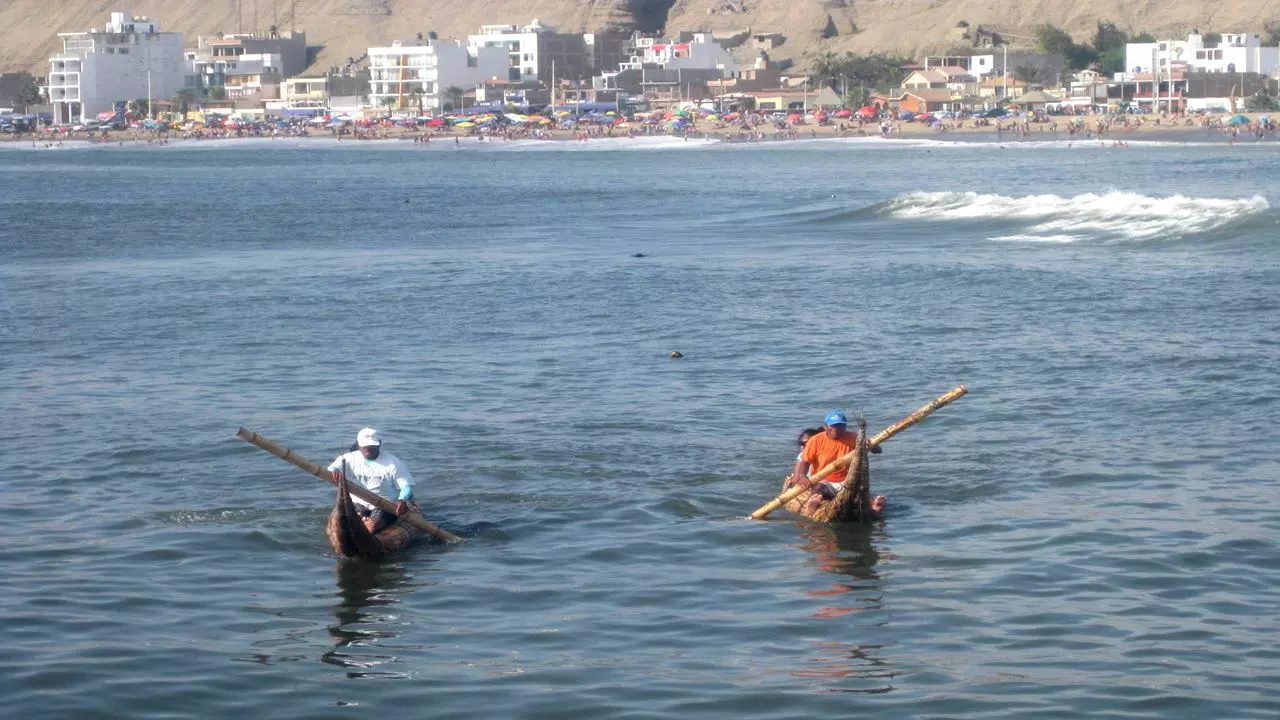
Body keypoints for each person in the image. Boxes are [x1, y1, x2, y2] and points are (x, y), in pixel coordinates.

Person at [787, 411, 884, 516]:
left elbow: (878, 451)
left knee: (862, 492)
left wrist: (872, 445)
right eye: (833, 426)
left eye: (841, 426)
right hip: (825, 480)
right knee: (819, 490)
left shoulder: (854, 437)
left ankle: (874, 507)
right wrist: (802, 476)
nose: (837, 429)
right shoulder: (816, 440)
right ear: (826, 427)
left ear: (845, 427)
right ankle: (812, 508)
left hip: (848, 480)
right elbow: (805, 461)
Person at [327, 428, 415, 534]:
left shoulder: (393, 463)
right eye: (365, 446)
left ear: (379, 444)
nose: (368, 449)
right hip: (356, 503)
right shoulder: (347, 459)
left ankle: (368, 528)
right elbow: (330, 469)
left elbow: (406, 486)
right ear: (358, 444)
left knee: (372, 525)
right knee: (346, 519)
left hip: (384, 505)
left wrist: (402, 500)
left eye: (372, 446)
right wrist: (334, 470)